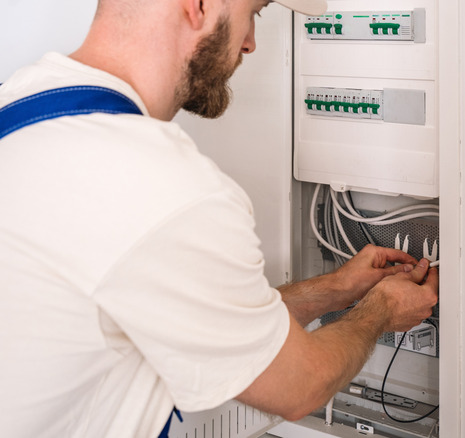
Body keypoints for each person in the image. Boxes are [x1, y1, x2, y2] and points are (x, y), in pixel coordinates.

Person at [0, 0, 439, 436]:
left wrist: (333, 290)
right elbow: (299, 387)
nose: (249, 43)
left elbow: (194, 313)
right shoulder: (166, 188)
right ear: (198, 6)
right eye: (254, 14)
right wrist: (381, 310)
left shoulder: (22, 101)